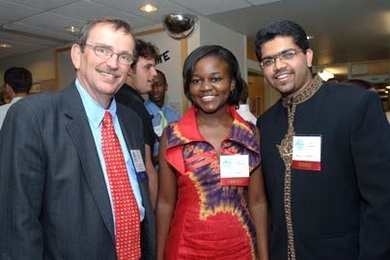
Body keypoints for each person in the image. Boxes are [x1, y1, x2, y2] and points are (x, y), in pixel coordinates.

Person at [0, 17, 155, 259]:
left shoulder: (131, 120)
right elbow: (17, 223)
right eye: (103, 50)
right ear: (77, 55)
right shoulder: (34, 116)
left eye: (124, 56)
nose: (113, 63)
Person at [254, 20, 390, 260]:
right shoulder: (265, 124)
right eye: (268, 60)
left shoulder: (355, 105)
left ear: (308, 56)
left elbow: (382, 199)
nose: (278, 66)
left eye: (287, 54)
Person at [156, 45, 269, 260]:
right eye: (197, 80)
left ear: (232, 83)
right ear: (189, 87)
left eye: (216, 79)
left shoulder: (249, 133)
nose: (206, 87)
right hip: (185, 249)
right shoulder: (173, 135)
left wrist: (264, 256)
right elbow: (164, 202)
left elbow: (257, 201)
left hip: (241, 249)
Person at [115, 38, 159, 209]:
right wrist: (154, 220)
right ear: (129, 70)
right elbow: (146, 165)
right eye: (147, 67)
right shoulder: (134, 106)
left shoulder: (113, 99)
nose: (154, 73)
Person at [145, 69, 180, 165]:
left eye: (159, 84)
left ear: (166, 87)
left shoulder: (175, 116)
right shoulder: (141, 114)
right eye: (152, 85)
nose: (155, 89)